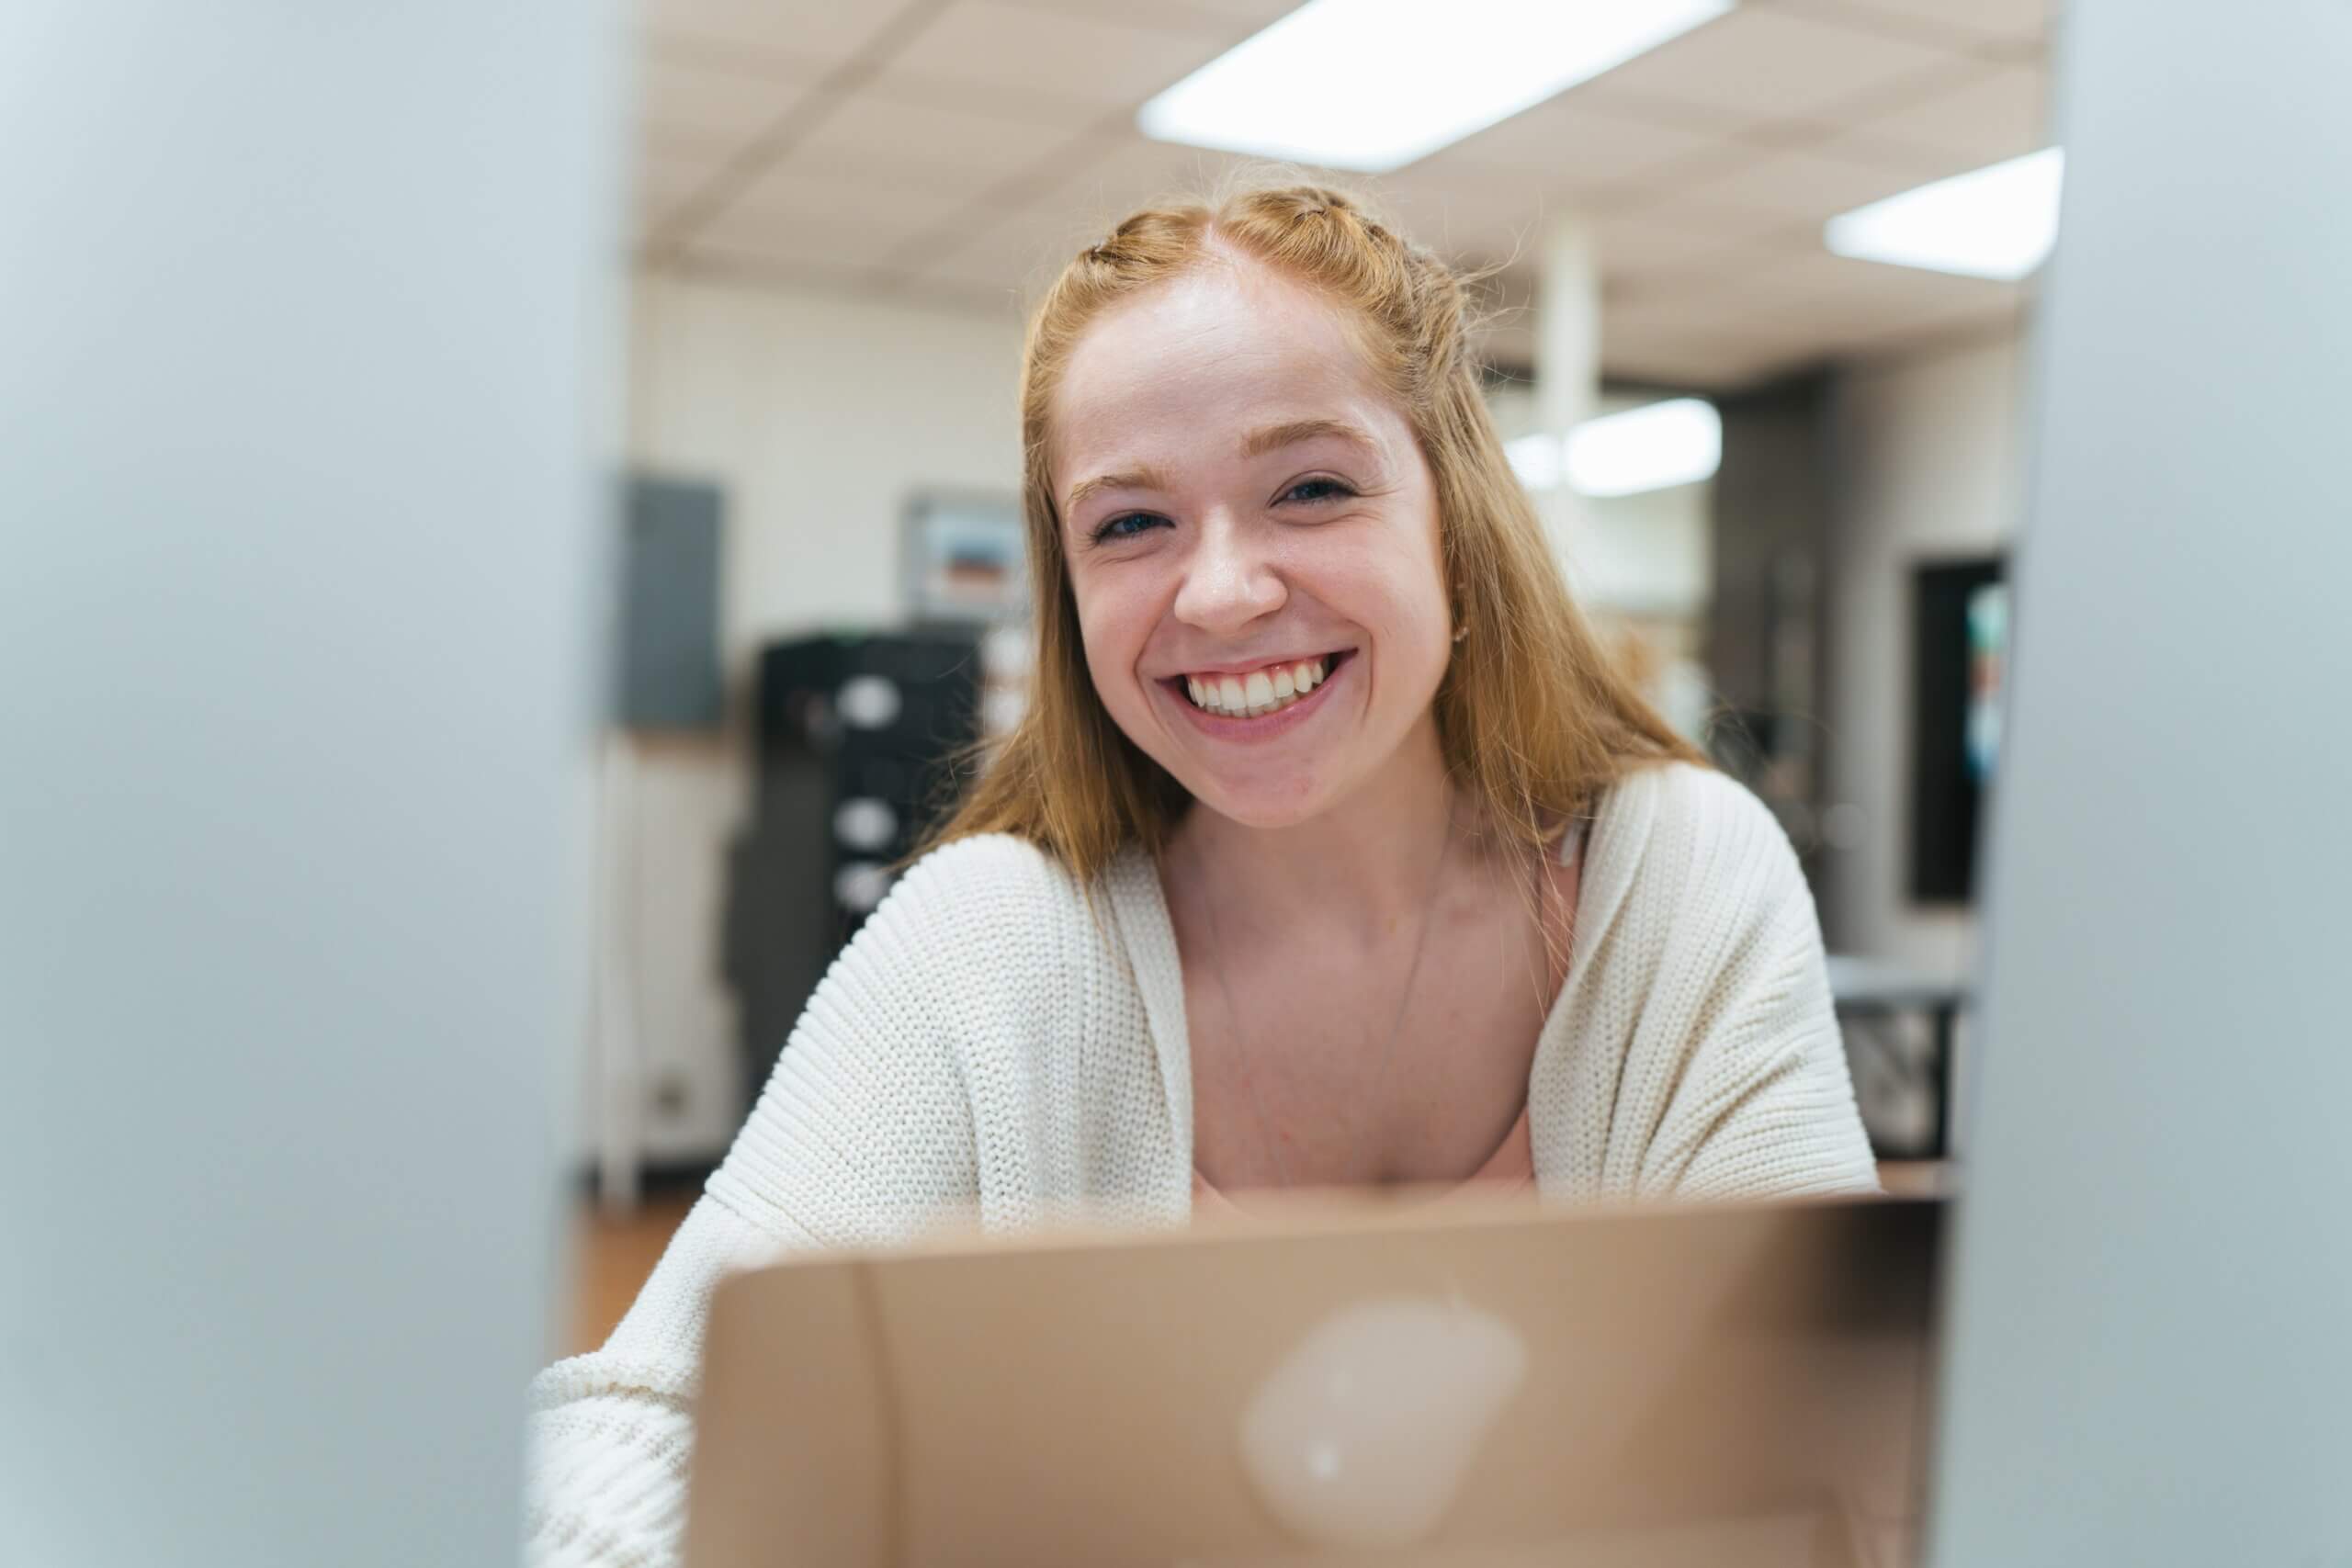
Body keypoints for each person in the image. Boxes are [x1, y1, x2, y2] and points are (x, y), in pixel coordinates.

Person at [523, 177, 1876, 1566]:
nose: (1221, 592)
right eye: (1130, 524)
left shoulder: (1680, 881)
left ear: (1456, 531)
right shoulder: (994, 940)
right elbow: (641, 1422)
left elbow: (1836, 1454)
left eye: (1311, 488)